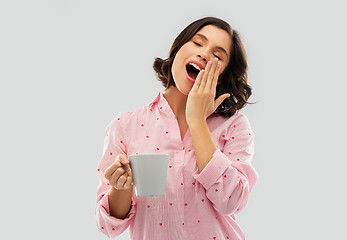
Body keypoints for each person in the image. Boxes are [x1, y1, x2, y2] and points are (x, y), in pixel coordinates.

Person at [95, 16, 258, 240]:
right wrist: (120, 187)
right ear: (177, 49)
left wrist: (197, 121)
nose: (204, 54)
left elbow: (231, 201)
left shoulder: (234, 127)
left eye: (217, 56)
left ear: (221, 77)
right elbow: (108, 227)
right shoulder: (125, 126)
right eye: (198, 43)